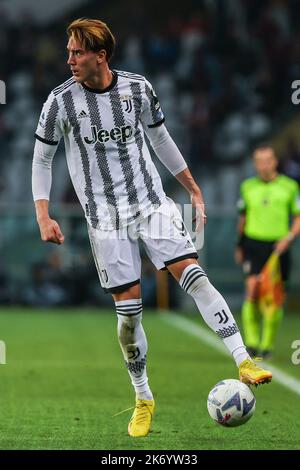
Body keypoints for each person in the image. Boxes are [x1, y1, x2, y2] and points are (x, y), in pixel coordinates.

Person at [32, 18, 272, 438]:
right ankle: (143, 396)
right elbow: (41, 160)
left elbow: (161, 139)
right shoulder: (59, 102)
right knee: (129, 316)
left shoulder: (137, 89)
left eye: (77, 52)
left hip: (150, 203)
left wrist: (192, 187)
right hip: (104, 217)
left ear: (100, 56)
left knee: (192, 273)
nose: (68, 59)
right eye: (68, 51)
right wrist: (43, 214)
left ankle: (243, 359)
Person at [236, 144, 300, 359]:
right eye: (259, 161)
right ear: (255, 164)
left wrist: (288, 238)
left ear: (274, 162)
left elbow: (298, 217)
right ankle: (252, 344)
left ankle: (267, 345)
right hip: (254, 245)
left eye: (267, 160)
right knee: (252, 290)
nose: (263, 165)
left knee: (274, 298)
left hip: (278, 248)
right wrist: (239, 244)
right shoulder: (247, 187)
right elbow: (243, 218)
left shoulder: (290, 187)